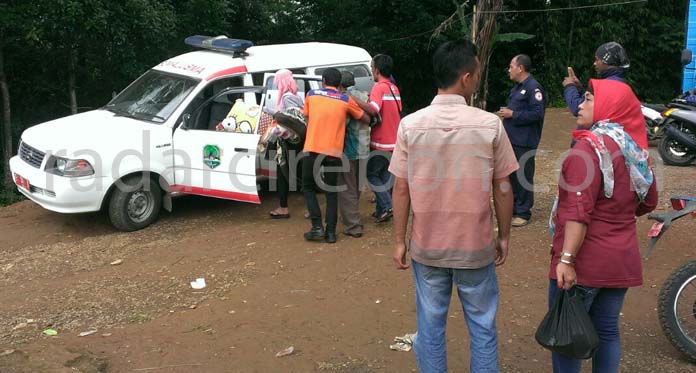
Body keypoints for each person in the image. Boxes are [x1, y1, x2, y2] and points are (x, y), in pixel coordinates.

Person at [390, 39, 518, 373]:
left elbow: (401, 188)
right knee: (483, 326)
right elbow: (503, 188)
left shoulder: (410, 125)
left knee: (430, 329)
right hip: (475, 247)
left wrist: (400, 240)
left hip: (427, 247)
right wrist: (503, 236)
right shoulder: (490, 125)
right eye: (476, 74)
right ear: (465, 78)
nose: (476, 79)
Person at [547, 78, 658, 373]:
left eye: (588, 99)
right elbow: (649, 200)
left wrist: (567, 259)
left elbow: (577, 212)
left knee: (567, 335)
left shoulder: (588, 149)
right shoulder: (634, 149)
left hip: (585, 262)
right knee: (607, 331)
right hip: (620, 261)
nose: (580, 105)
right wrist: (617, 212)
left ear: (609, 106)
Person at [301, 68, 369, 244]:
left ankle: (317, 227)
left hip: (313, 148)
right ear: (339, 84)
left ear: (323, 81)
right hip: (334, 151)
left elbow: (306, 116)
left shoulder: (311, 94)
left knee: (308, 187)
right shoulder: (345, 99)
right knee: (332, 192)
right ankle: (330, 233)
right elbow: (365, 118)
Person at [562, 42, 649, 149]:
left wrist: (569, 86)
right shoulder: (621, 86)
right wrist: (579, 88)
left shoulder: (607, 86)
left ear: (607, 61)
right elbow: (595, 104)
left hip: (599, 147)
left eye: (597, 59)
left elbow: (578, 108)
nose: (594, 63)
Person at [498, 54, 545, 227]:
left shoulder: (534, 88)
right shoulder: (517, 88)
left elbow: (537, 113)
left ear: (520, 68)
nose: (509, 70)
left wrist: (513, 114)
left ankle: (524, 212)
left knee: (523, 175)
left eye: (511, 66)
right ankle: (514, 209)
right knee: (512, 176)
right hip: (512, 139)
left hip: (525, 141)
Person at [356, 54, 402, 223]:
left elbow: (373, 109)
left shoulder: (379, 87)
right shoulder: (393, 88)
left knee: (371, 174)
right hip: (394, 141)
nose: (371, 69)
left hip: (381, 142)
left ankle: (388, 206)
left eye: (371, 66)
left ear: (377, 69)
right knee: (383, 175)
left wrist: (352, 99)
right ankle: (381, 210)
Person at [265, 69, 304, 219]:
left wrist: (266, 110)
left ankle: (283, 208)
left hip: (288, 142)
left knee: (283, 173)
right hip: (294, 142)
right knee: (299, 173)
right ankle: (308, 208)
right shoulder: (294, 96)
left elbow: (291, 119)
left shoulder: (287, 98)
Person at [338, 71, 370, 238]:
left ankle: (353, 225)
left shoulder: (344, 99)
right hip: (365, 148)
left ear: (340, 85)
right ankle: (351, 216)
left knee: (346, 187)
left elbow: (344, 123)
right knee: (357, 186)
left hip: (349, 149)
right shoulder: (365, 96)